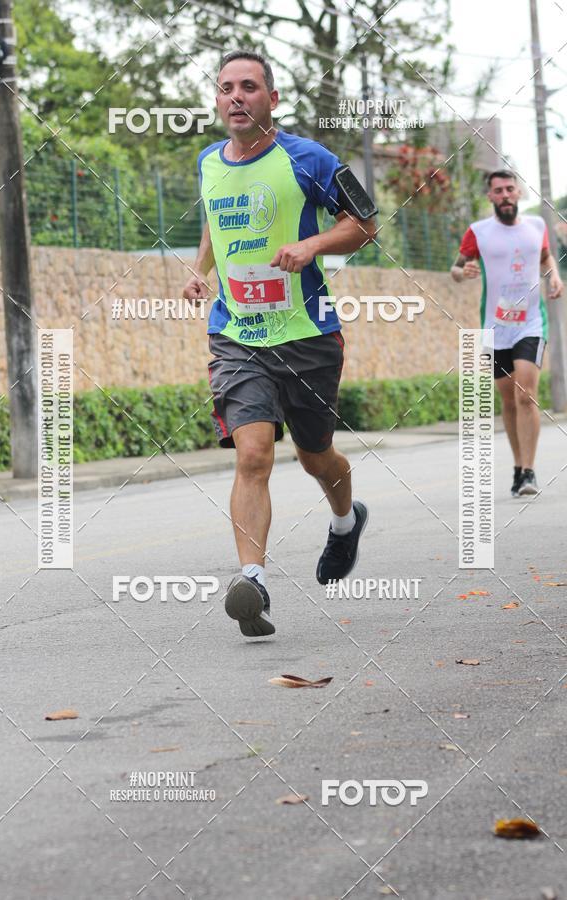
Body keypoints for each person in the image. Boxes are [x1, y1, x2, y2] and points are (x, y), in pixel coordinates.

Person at [182, 49, 377, 638]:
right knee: (253, 454)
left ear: (272, 99)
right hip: (237, 333)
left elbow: (365, 223)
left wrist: (313, 245)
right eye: (226, 88)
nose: (235, 96)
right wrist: (200, 270)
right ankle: (253, 582)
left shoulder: (309, 158)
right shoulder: (208, 161)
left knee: (317, 456)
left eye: (248, 86)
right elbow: (216, 221)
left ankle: (345, 520)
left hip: (308, 334)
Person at [451, 169, 563, 497]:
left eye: (509, 189)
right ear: (490, 196)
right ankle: (517, 466)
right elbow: (455, 268)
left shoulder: (536, 226)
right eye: (498, 190)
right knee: (509, 399)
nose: (504, 195)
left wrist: (554, 276)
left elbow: (546, 257)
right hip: (495, 326)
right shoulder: (478, 232)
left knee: (525, 394)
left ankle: (529, 471)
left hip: (531, 323)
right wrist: (463, 271)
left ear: (518, 193)